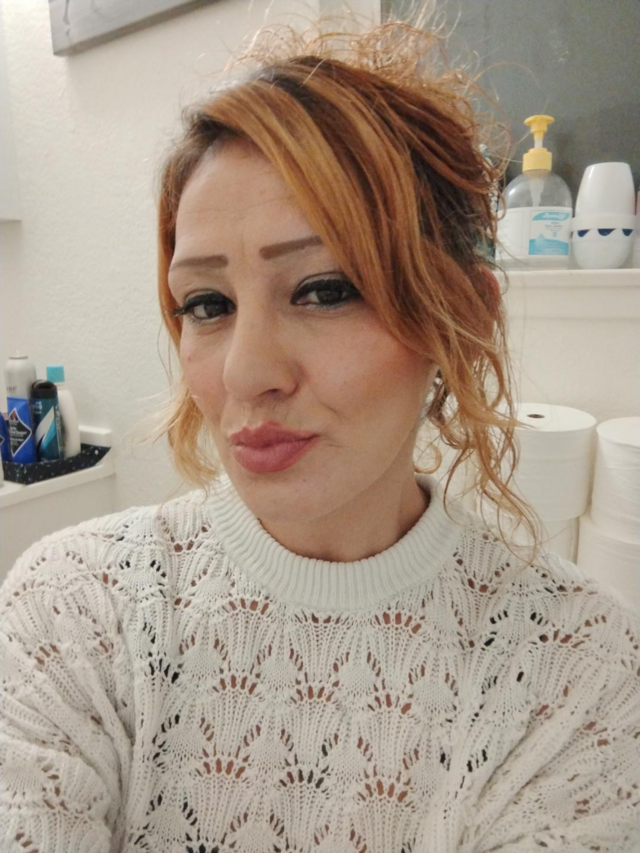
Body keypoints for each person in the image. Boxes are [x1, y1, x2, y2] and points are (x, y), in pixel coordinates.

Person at [1, 12, 639, 853]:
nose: (245, 374)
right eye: (207, 304)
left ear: (461, 315)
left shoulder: (579, 669)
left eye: (324, 289)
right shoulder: (76, 609)